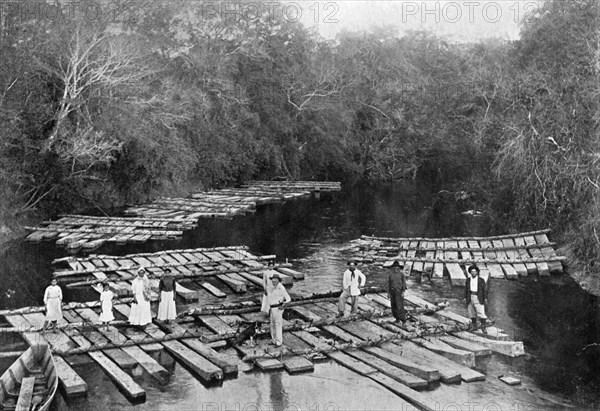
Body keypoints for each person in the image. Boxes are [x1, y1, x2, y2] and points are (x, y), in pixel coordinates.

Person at [268, 274, 291, 347]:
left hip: (277, 308)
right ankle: (274, 340)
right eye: (273, 280)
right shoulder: (274, 288)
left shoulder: (281, 287)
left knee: (278, 325)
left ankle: (279, 342)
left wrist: (283, 306)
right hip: (272, 308)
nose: (273, 282)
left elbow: (288, 299)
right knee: (272, 325)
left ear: (278, 280)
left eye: (275, 280)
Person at [465, 265, 488, 334]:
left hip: (478, 297)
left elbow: (485, 290)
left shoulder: (481, 280)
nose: (473, 273)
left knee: (481, 312)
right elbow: (466, 289)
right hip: (470, 296)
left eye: (475, 271)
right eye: (472, 272)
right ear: (470, 272)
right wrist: (465, 297)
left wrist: (485, 298)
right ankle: (474, 326)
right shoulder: (468, 280)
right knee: (471, 313)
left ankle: (483, 327)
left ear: (477, 272)